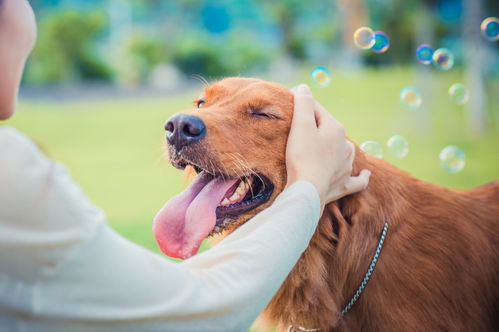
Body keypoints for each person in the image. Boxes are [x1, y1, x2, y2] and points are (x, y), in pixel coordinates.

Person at [0, 0, 371, 331]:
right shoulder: (12, 174)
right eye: (201, 105)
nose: (191, 120)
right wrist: (310, 187)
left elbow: (163, 300)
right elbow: (188, 316)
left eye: (262, 114)